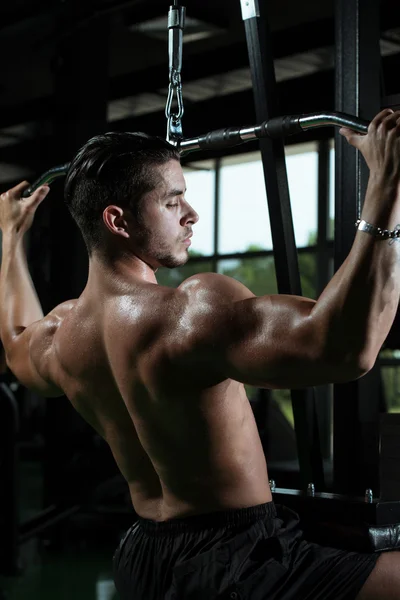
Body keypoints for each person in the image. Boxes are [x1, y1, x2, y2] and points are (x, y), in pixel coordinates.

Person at [0, 109, 399, 600]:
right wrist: (386, 186)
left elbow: (15, 338)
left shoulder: (58, 336)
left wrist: (8, 239)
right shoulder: (189, 311)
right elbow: (345, 347)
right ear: (117, 220)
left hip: (144, 557)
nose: (191, 214)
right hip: (241, 562)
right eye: (172, 202)